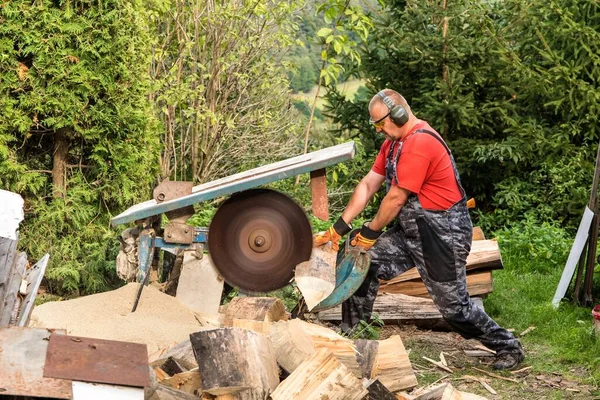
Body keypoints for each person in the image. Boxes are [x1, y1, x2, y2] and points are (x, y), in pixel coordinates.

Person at [314, 89, 524, 370]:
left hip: (441, 235)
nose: (378, 131)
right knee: (365, 260)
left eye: (380, 124)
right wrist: (340, 228)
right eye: (374, 125)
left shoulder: (419, 143)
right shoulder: (392, 145)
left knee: (454, 309)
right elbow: (368, 185)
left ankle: (507, 346)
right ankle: (354, 332)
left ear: (398, 114)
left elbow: (396, 198)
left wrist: (371, 232)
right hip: (411, 230)